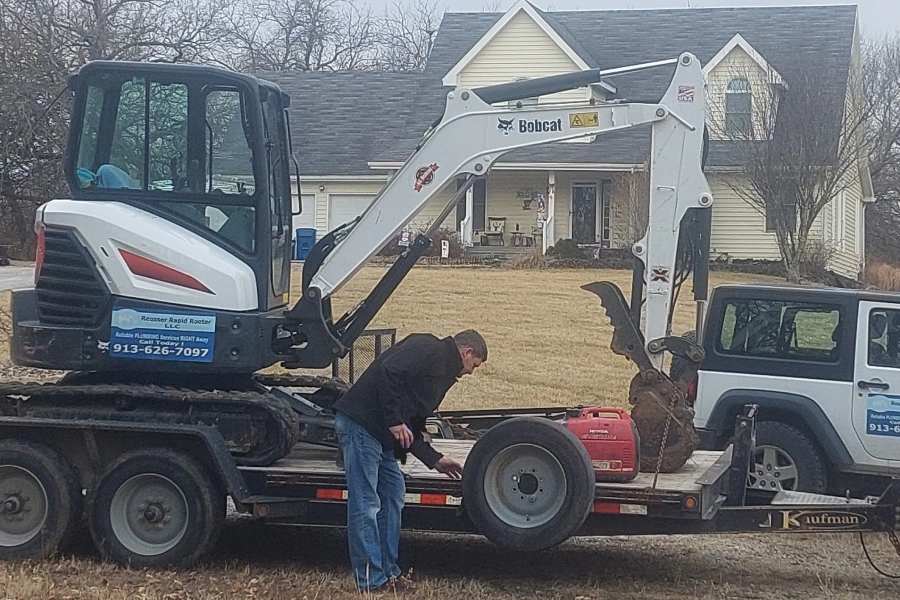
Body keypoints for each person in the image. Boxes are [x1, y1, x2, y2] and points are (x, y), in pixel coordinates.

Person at [332, 329, 487, 594]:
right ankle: (371, 579)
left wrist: (434, 459)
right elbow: (389, 371)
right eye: (474, 365)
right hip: (362, 426)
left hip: (383, 436)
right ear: (467, 352)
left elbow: (411, 423)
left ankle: (389, 572)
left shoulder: (443, 375)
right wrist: (394, 420)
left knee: (393, 496)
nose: (471, 372)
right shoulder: (429, 347)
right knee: (366, 503)